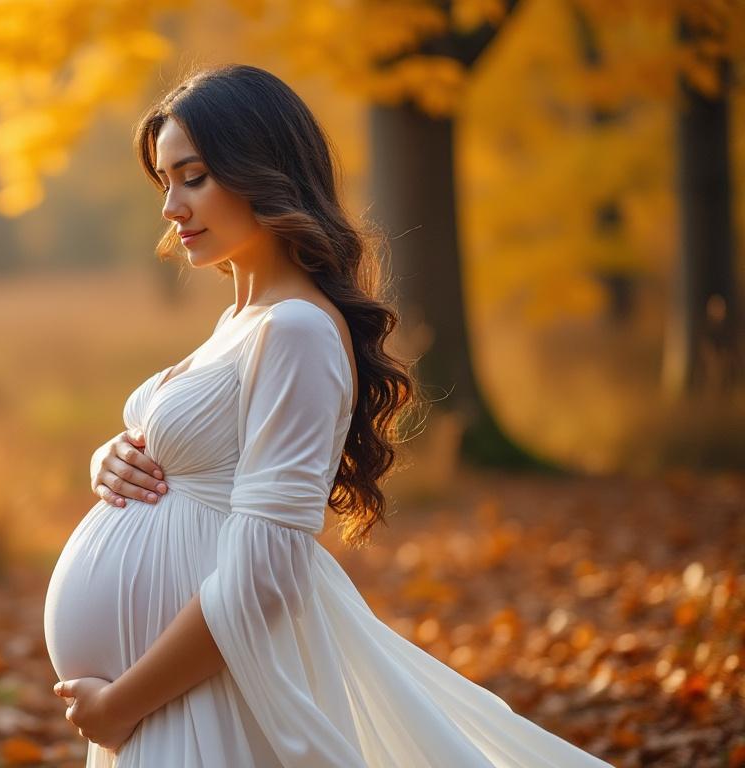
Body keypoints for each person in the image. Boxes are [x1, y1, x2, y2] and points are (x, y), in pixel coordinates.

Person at [41, 64, 613, 767]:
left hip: (201, 691)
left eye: (193, 177)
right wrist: (112, 458)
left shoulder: (298, 331)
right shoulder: (242, 321)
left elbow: (265, 573)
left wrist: (123, 702)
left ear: (262, 171)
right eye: (165, 182)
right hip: (172, 692)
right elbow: (201, 462)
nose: (171, 206)